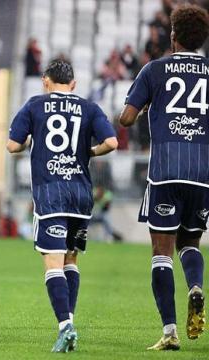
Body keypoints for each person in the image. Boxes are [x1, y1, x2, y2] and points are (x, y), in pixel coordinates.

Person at [7, 59, 118, 352]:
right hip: (81, 194)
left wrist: (30, 142)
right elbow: (112, 142)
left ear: (46, 81)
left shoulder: (34, 105)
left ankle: (65, 326)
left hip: (50, 192)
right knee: (71, 260)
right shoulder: (89, 107)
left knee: (52, 261)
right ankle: (69, 321)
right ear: (74, 84)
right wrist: (89, 152)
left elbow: (12, 145)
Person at [119, 4, 209, 351]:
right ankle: (196, 286)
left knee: (161, 252)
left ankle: (170, 332)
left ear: (173, 37)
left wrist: (143, 106)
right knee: (190, 243)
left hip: (165, 171)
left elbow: (126, 119)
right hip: (201, 173)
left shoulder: (155, 70)